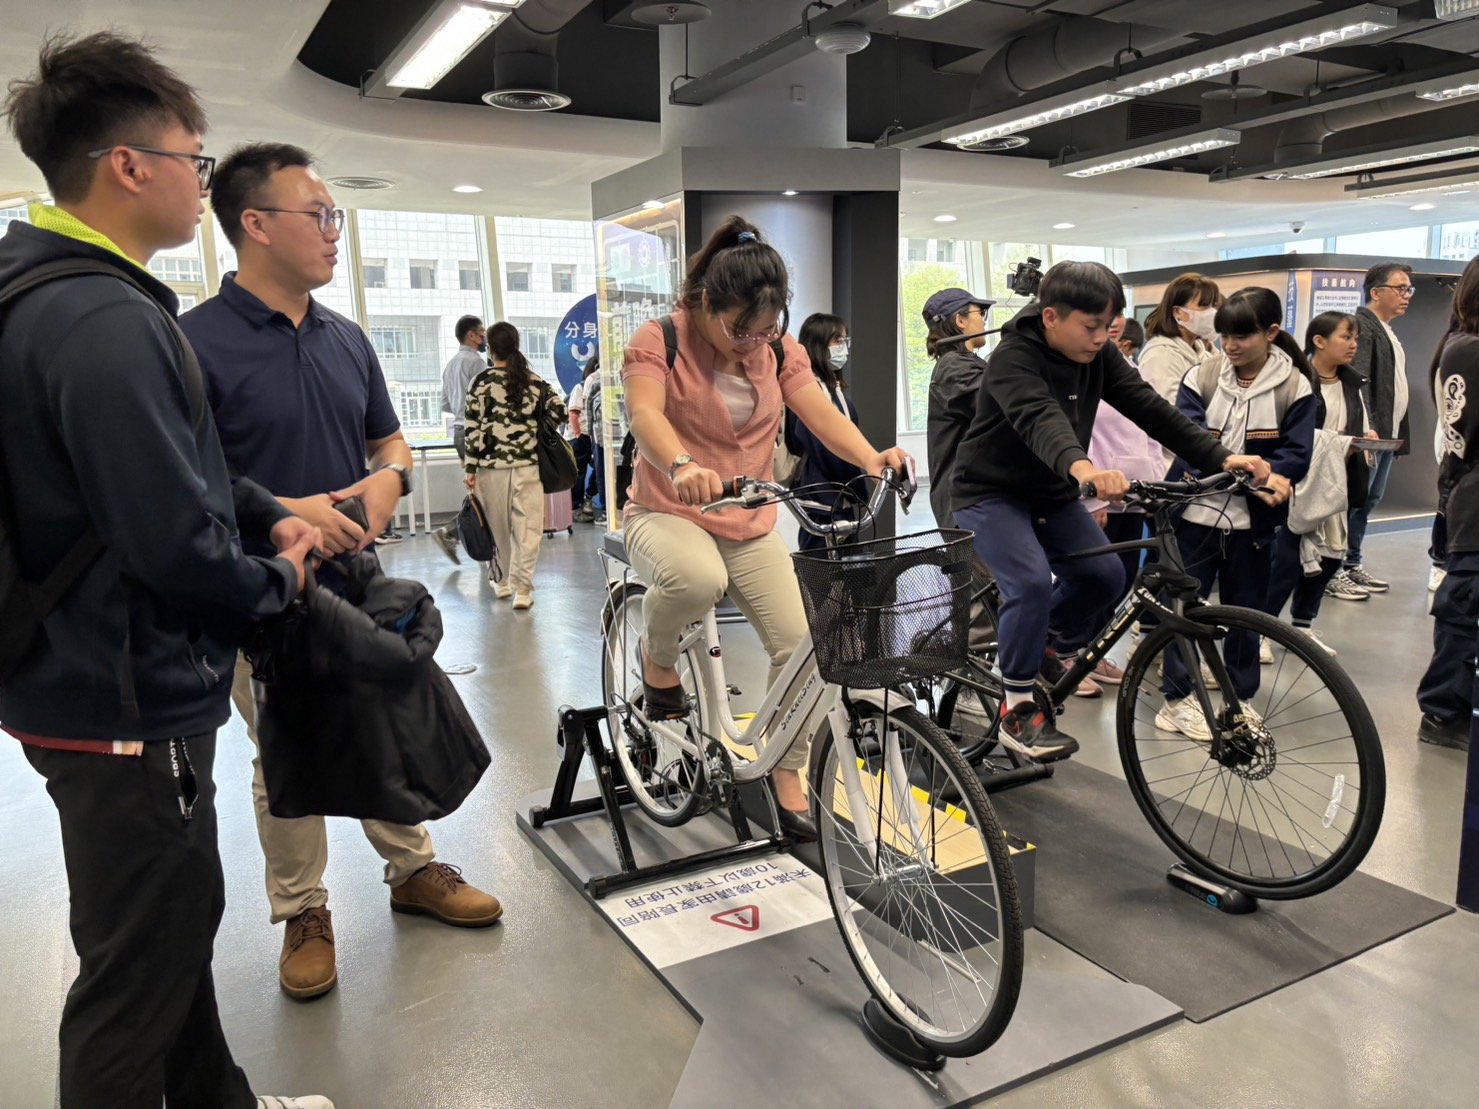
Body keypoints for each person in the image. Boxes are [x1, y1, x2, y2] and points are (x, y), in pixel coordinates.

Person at [0, 34, 330, 1109]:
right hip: (124, 699)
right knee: (134, 973)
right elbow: (171, 545)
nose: (204, 176)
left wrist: (268, 511)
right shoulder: (98, 316)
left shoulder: (54, 288)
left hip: (80, 681)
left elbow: (182, 471)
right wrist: (278, 580)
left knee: (169, 933)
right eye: (195, 155)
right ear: (128, 167)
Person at [182, 143, 501, 1005]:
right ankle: (303, 911)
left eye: (336, 217)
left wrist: (392, 478)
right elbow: (189, 483)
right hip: (260, 590)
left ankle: (413, 871)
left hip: (358, 579)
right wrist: (291, 511)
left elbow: (386, 439)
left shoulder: (346, 336)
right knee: (281, 746)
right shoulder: (191, 344)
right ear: (255, 225)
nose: (332, 232)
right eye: (317, 215)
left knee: (382, 714)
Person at [621, 216, 910, 840]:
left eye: (765, 330)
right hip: (668, 509)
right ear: (704, 303)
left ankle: (784, 768)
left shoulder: (780, 349)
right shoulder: (657, 339)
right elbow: (643, 412)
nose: (752, 342)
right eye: (738, 330)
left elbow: (817, 411)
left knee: (805, 647)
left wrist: (872, 456)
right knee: (695, 580)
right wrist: (681, 463)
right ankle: (657, 659)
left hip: (748, 518)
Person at [951, 261, 1269, 760]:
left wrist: (1222, 456)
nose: (1101, 337)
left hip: (1051, 492)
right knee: (1030, 582)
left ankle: (1044, 648)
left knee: (1103, 577)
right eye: (1091, 326)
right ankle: (1016, 709)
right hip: (990, 494)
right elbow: (1040, 418)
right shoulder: (1014, 357)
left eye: (1109, 326)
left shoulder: (1097, 356)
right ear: (1051, 316)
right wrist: (1083, 467)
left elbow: (1150, 408)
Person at [1159, 286, 1315, 739]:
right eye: (1225, 334)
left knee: (1247, 613)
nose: (1231, 345)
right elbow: (1187, 438)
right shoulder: (1202, 377)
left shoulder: (1294, 386)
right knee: (1184, 610)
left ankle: (1239, 699)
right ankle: (1176, 699)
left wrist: (1276, 476)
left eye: (1242, 336)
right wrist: (1238, 469)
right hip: (1195, 518)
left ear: (1271, 332)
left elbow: (1297, 451)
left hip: (1253, 525)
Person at [1265, 311, 1372, 656]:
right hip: (1299, 482)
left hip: (1337, 481)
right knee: (1286, 560)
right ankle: (1261, 630)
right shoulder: (1297, 380)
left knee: (1329, 558)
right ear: (1319, 341)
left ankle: (1302, 626)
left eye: (1355, 338)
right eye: (1345, 337)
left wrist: (1365, 437)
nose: (1353, 345)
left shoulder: (1353, 383)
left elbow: (1357, 421)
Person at [1416, 255, 1479, 751]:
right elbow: (1461, 439)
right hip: (1473, 503)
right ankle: (1442, 711)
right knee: (1464, 608)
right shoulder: (1466, 350)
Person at [463, 320, 565, 609]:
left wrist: (470, 469)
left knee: (497, 528)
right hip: (528, 465)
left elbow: (473, 428)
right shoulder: (533, 380)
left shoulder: (481, 382)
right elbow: (558, 409)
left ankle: (503, 582)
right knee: (529, 529)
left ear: (492, 348)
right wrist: (536, 431)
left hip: (491, 467)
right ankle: (524, 589)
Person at [1334, 261, 1415, 598]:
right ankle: (1336, 568)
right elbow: (1359, 383)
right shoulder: (1363, 327)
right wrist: (1365, 432)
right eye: (1400, 288)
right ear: (1376, 292)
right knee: (1354, 500)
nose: (1407, 295)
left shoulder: (1385, 328)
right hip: (1371, 436)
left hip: (1387, 434)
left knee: (1368, 501)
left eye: (1409, 289)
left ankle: (1352, 563)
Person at [784, 312, 865, 550]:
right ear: (817, 345)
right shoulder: (811, 394)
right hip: (823, 499)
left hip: (837, 498)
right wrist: (858, 484)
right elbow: (827, 448)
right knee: (822, 576)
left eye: (845, 341)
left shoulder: (832, 390)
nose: (844, 348)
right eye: (837, 341)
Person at [924, 286, 993, 529]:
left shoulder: (965, 363)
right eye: (979, 313)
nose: (984, 321)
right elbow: (998, 405)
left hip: (976, 505)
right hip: (967, 510)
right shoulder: (954, 368)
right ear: (960, 320)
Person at [431, 314, 488, 563]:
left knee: (478, 491)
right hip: (476, 431)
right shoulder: (476, 363)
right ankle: (452, 533)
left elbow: (445, 403)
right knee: (487, 492)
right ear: (471, 336)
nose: (485, 337)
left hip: (459, 430)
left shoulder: (451, 364)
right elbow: (488, 399)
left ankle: (470, 539)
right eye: (482, 332)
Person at [1138, 273, 1222, 408]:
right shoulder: (1159, 355)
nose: (1212, 312)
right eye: (1204, 306)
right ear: (1178, 312)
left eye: (1213, 306)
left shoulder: (1202, 352)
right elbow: (1171, 411)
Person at [570, 357, 599, 523]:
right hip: (581, 437)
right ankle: (576, 507)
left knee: (597, 470)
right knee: (578, 473)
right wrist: (578, 434)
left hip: (592, 435)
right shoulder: (580, 388)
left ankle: (587, 498)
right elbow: (573, 413)